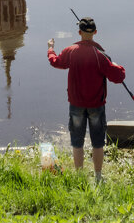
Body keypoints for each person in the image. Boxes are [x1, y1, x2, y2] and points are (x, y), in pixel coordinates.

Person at [47, 16, 125, 183]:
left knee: (77, 141)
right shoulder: (100, 55)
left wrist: (51, 49)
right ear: (95, 32)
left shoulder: (71, 51)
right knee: (98, 142)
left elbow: (56, 62)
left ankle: (79, 176)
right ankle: (97, 177)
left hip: (76, 104)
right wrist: (117, 66)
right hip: (96, 105)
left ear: (79, 32)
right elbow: (118, 77)